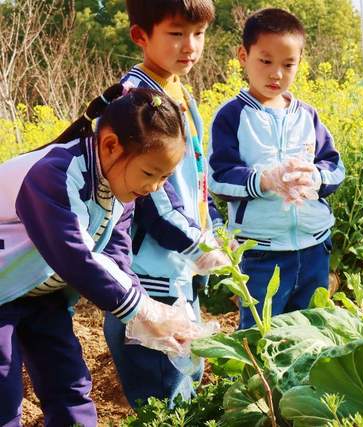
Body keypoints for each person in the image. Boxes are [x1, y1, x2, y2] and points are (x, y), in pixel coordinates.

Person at [0, 85, 200, 426]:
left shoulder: (118, 185)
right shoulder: (54, 174)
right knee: (3, 391)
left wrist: (147, 316)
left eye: (165, 177)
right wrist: (142, 309)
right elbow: (75, 255)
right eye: (150, 173)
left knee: (69, 382)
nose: (154, 187)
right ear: (110, 146)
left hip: (43, 294)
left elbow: (115, 257)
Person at [102, 0, 229, 408]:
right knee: (163, 398)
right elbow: (154, 205)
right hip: (148, 278)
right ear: (141, 36)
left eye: (199, 33)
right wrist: (204, 249)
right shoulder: (134, 104)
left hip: (177, 271)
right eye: (176, 33)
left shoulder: (177, 91)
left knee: (184, 383)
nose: (189, 45)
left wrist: (208, 237)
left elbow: (194, 183)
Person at [208, 8, 345, 329]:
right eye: (265, 61)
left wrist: (316, 177)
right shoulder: (231, 116)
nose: (277, 74)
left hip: (314, 246)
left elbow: (335, 167)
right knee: (261, 333)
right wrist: (264, 180)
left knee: (313, 332)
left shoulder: (307, 115)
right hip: (260, 252)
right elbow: (218, 177)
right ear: (243, 56)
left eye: (288, 65)